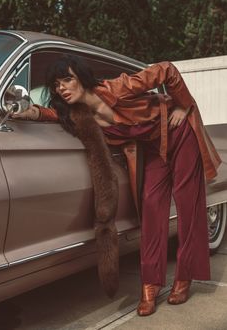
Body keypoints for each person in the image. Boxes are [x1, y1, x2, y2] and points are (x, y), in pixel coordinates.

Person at [14, 55, 221, 316]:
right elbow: (49, 113)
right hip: (153, 150)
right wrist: (29, 111)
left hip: (178, 134)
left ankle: (184, 278)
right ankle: (150, 285)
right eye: (56, 85)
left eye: (67, 79)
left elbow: (167, 70)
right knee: (151, 210)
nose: (62, 88)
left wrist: (184, 106)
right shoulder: (78, 116)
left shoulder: (116, 88)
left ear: (82, 79)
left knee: (187, 205)